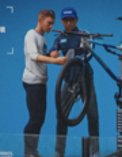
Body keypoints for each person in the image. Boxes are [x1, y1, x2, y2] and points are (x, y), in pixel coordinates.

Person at [52, 8, 99, 157]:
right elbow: (53, 52)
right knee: (61, 116)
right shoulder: (59, 37)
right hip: (69, 80)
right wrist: (54, 54)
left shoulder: (84, 34)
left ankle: (95, 152)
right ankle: (59, 153)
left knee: (93, 115)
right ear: (61, 21)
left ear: (76, 20)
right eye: (65, 20)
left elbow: (91, 52)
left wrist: (84, 50)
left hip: (85, 78)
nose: (68, 23)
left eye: (71, 20)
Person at [23, 9, 64, 157]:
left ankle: (34, 150)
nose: (51, 27)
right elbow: (34, 56)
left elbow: (41, 55)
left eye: (53, 23)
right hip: (32, 82)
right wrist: (54, 60)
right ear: (40, 19)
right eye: (49, 23)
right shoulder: (30, 35)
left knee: (40, 119)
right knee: (35, 118)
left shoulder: (43, 38)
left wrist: (50, 55)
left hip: (41, 82)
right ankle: (28, 152)